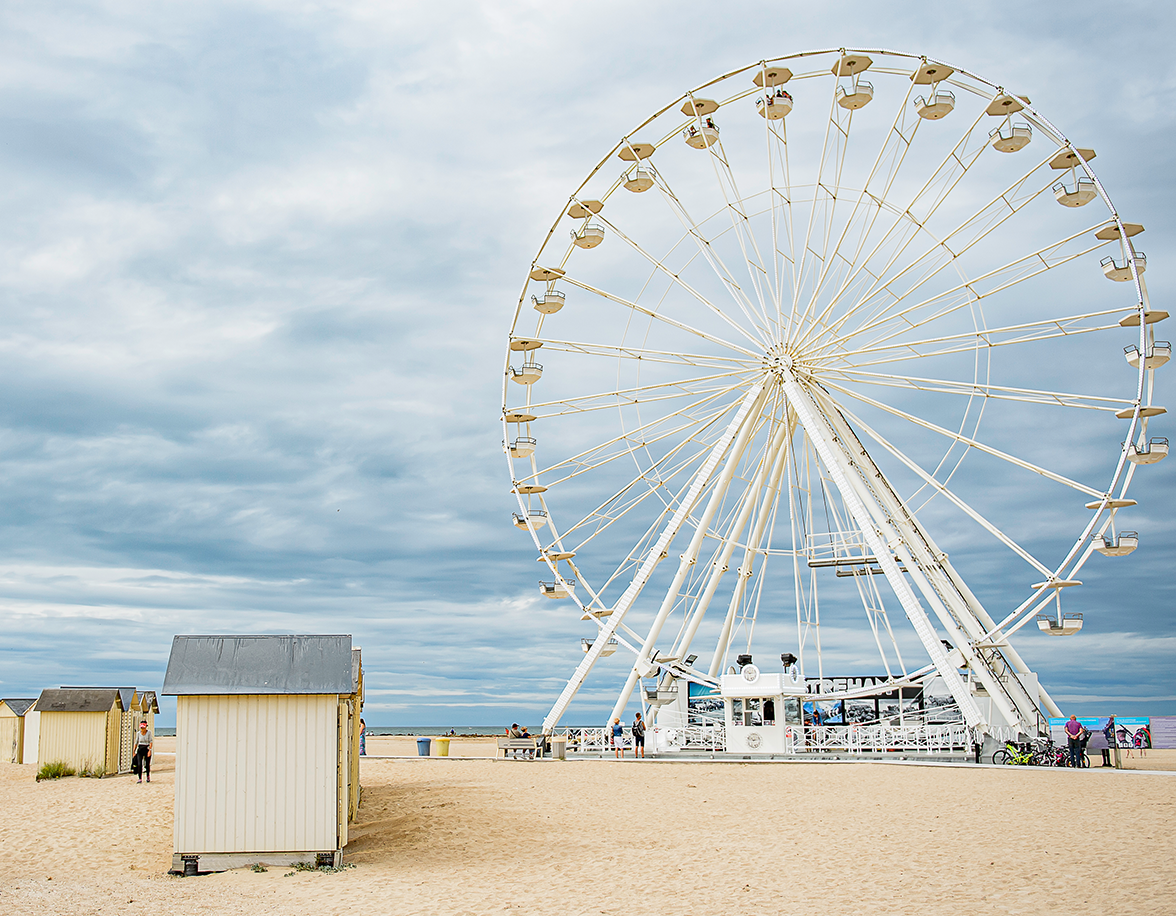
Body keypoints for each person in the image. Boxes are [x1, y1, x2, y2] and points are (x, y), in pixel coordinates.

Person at [133, 719, 153, 783]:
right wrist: (134, 751)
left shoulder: (149, 733)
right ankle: (140, 778)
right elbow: (136, 742)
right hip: (140, 748)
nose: (142, 729)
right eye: (141, 728)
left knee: (147, 764)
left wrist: (149, 750)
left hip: (146, 748)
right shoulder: (138, 733)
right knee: (139, 764)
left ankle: (147, 776)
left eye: (143, 728)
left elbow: (151, 741)